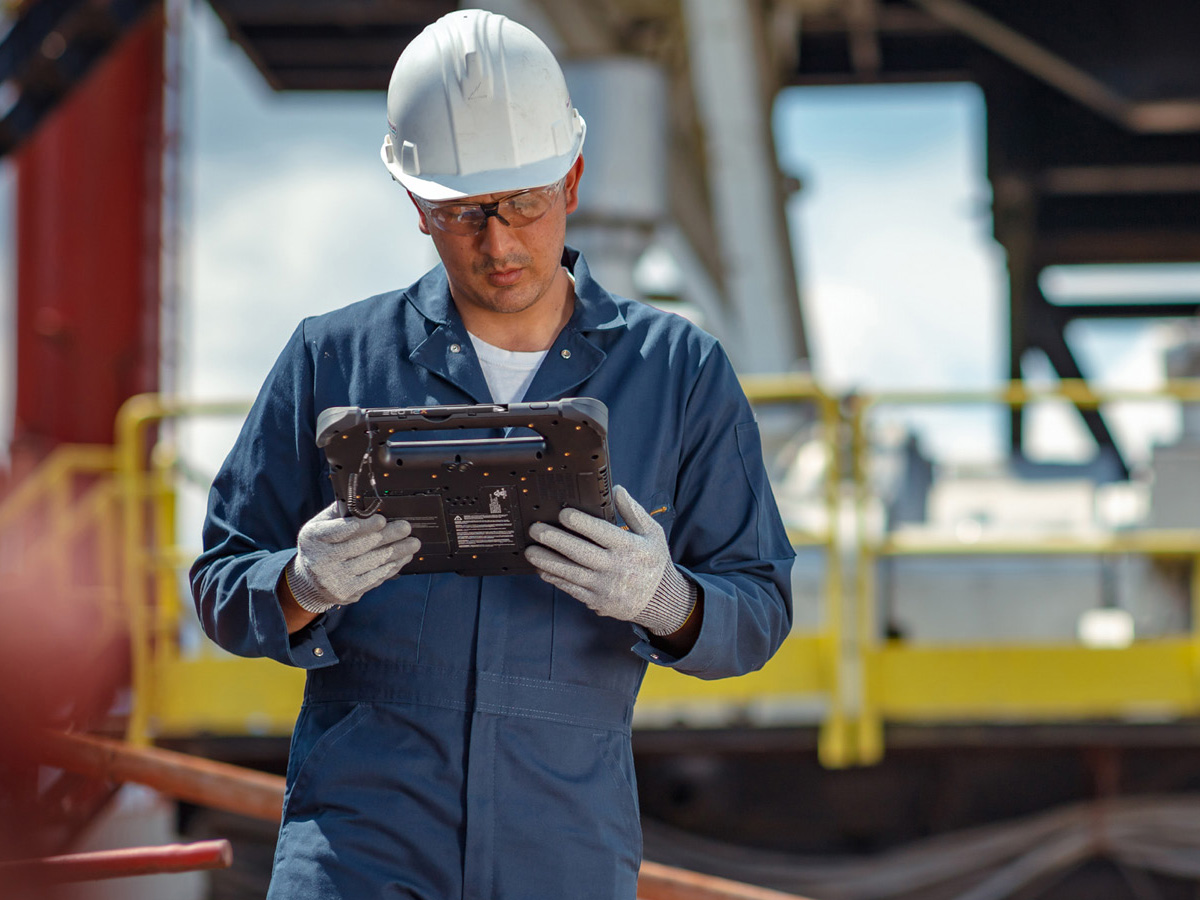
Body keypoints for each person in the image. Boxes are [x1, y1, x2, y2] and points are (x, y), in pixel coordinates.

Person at [190, 8, 794, 899]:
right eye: (467, 213)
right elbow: (219, 584)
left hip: (562, 845)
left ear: (575, 179)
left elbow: (761, 602)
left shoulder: (677, 371)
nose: (501, 242)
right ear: (417, 206)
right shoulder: (332, 356)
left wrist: (668, 601)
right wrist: (299, 585)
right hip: (361, 843)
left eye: (525, 204)